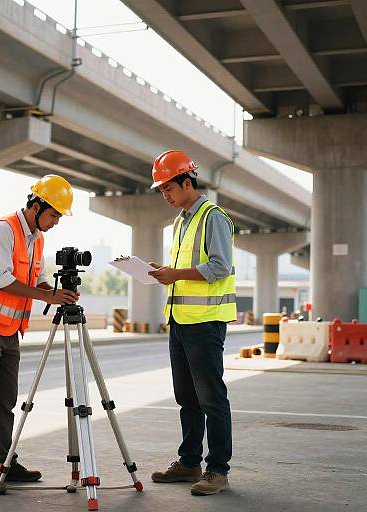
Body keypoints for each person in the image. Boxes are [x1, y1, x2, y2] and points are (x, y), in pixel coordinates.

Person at [0, 174, 79, 494]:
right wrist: (47, 298)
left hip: (9, 328)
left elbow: (35, 278)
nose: (55, 222)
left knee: (5, 401)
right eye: (53, 215)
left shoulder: (37, 238)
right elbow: (1, 281)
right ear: (36, 206)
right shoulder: (2, 231)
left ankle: (3, 463)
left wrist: (54, 292)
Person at [148, 150, 237, 496]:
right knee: (186, 396)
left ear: (187, 182)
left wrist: (175, 275)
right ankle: (189, 462)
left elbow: (220, 267)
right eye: (162, 191)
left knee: (211, 397)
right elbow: (184, 272)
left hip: (205, 322)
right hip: (180, 320)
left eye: (168, 188)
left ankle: (218, 470)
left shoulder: (213, 217)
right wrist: (164, 272)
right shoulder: (181, 221)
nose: (165, 195)